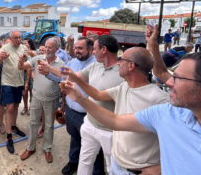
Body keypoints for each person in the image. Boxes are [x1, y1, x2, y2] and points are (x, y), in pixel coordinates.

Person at [65, 25, 201, 174]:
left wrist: (159, 168)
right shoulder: (167, 113)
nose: (169, 83)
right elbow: (116, 120)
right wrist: (152, 43)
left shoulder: (163, 102)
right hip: (118, 163)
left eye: (178, 78)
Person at [64, 46, 170, 174]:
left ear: (131, 66)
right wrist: (76, 82)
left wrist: (159, 169)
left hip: (136, 170)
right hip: (117, 162)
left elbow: (176, 141)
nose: (118, 63)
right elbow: (97, 95)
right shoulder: (124, 87)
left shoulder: (159, 99)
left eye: (122, 59)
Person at [41, 36, 118, 175]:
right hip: (72, 111)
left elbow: (98, 95)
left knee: (95, 149)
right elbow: (64, 78)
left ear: (90, 49)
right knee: (75, 139)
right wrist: (63, 103)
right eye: (75, 48)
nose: (77, 51)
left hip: (88, 115)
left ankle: (97, 171)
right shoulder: (72, 63)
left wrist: (50, 69)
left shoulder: (96, 64)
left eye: (80, 48)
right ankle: (73, 162)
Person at [18, 37, 65, 163]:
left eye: (50, 47)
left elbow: (64, 78)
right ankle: (30, 147)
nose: (47, 49)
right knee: (33, 123)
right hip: (37, 98)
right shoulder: (37, 59)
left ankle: (47, 149)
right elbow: (22, 67)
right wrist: (21, 62)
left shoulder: (61, 63)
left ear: (56, 49)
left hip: (52, 99)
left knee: (49, 125)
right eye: (46, 46)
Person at [0, 31, 28, 154]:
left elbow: (28, 65)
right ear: (10, 38)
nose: (18, 39)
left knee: (15, 106)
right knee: (9, 107)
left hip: (19, 81)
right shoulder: (5, 47)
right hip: (7, 81)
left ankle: (14, 127)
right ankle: (9, 136)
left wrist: (23, 61)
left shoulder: (24, 48)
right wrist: (1, 57)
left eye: (20, 37)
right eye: (16, 37)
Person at [21, 38, 36, 115]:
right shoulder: (22, 52)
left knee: (32, 91)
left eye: (25, 43)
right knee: (24, 92)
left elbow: (35, 58)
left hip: (33, 73)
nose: (24, 45)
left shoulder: (33, 52)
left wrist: (28, 52)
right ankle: (25, 107)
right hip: (24, 73)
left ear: (29, 44)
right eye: (23, 43)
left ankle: (31, 107)